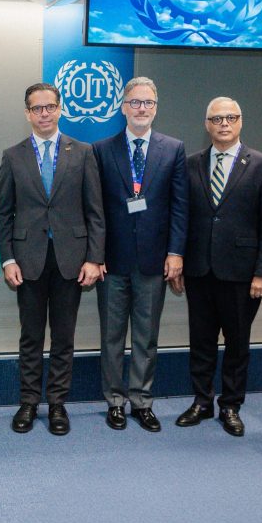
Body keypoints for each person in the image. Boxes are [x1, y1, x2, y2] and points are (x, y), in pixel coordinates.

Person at [0, 82, 105, 436]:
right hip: (27, 261)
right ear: (27, 113)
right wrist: (7, 259)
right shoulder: (12, 156)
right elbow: (4, 214)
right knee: (30, 337)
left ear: (60, 109)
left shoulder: (83, 152)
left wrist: (94, 258)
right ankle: (28, 402)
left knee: (63, 336)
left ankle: (57, 403)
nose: (44, 114)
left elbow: (95, 212)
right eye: (36, 108)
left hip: (71, 261)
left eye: (50, 107)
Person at [173, 97, 262, 437]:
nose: (224, 123)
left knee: (238, 343)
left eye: (230, 117)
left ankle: (231, 405)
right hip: (199, 270)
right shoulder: (190, 165)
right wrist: (177, 259)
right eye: (216, 118)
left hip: (243, 274)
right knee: (200, 341)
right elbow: (181, 217)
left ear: (240, 121)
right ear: (206, 124)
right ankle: (202, 402)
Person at [93, 77, 187, 432]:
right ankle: (114, 402)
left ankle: (142, 402)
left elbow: (180, 207)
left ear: (156, 107)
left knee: (146, 336)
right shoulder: (101, 150)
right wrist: (95, 254)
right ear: (123, 107)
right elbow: (95, 208)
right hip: (112, 262)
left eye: (148, 102)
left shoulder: (173, 149)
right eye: (134, 102)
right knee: (112, 336)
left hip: (154, 261)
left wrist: (176, 252)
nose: (142, 108)